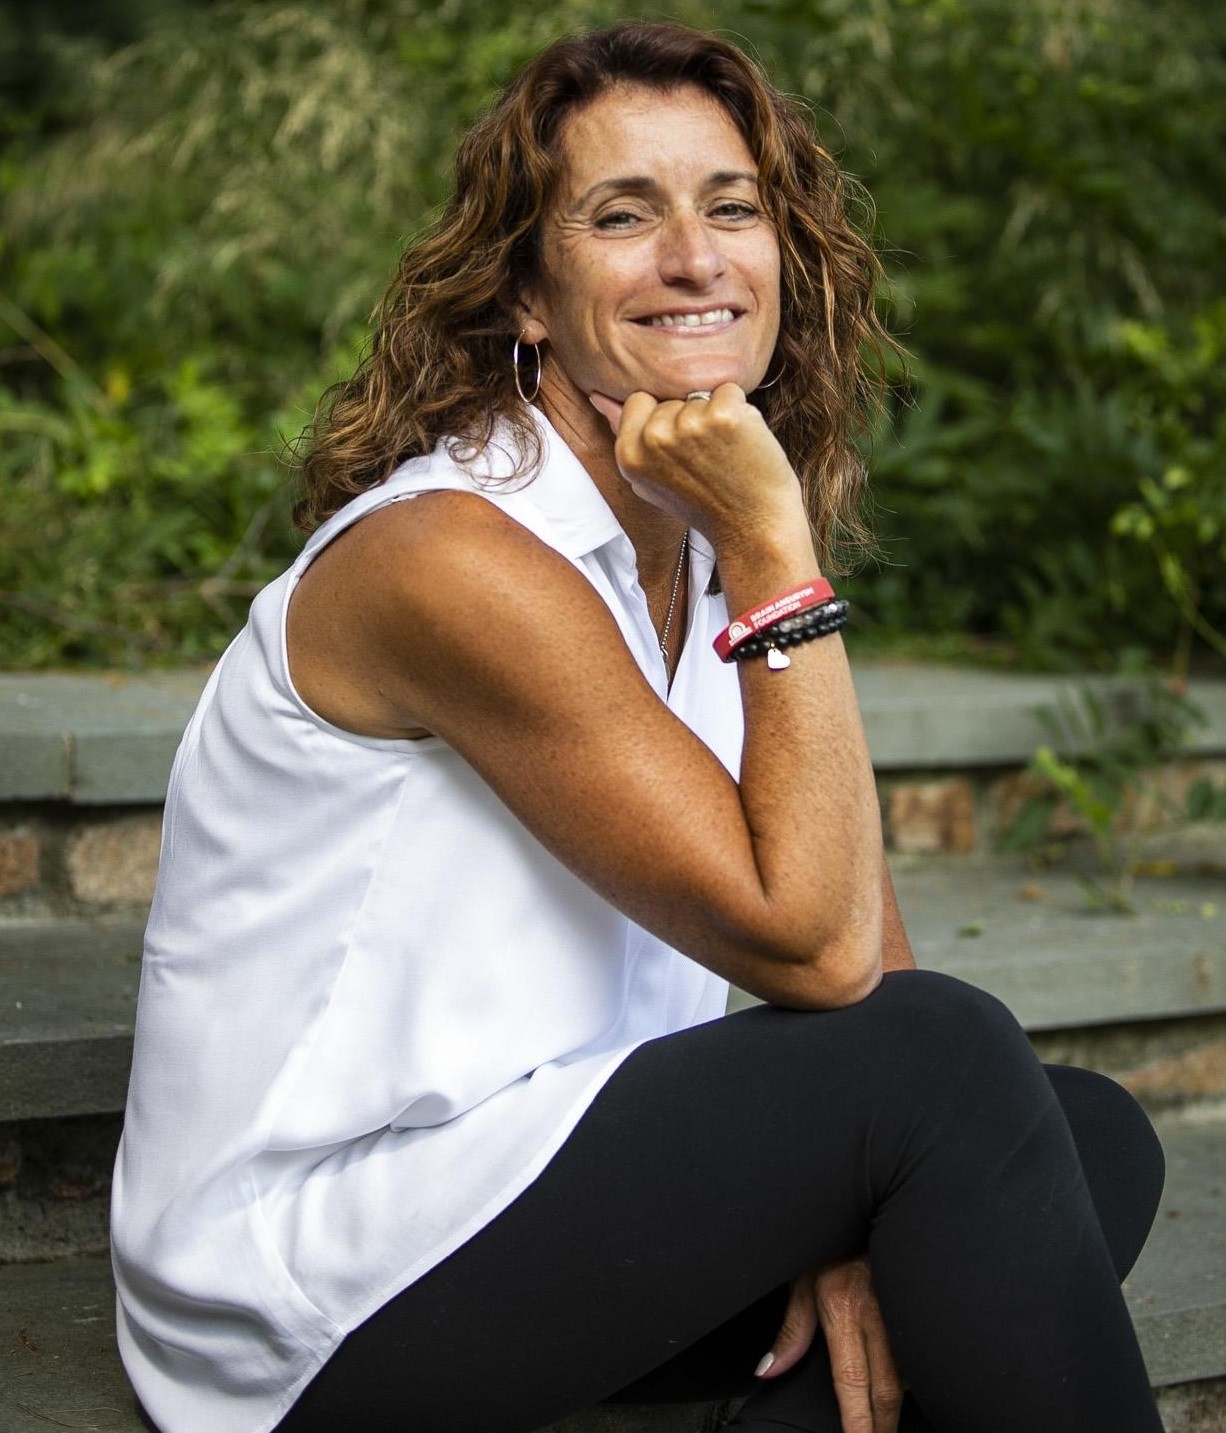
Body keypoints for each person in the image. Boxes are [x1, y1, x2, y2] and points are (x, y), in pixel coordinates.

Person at [111, 21, 1167, 1433]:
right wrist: (777, 548)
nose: (694, 258)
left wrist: (863, 1199)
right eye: (623, 216)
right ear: (526, 292)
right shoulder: (450, 559)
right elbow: (817, 947)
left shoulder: (695, 538)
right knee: (955, 1081)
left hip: (549, 1184)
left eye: (733, 208)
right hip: (315, 1276)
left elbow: (870, 954)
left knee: (1084, 1137)